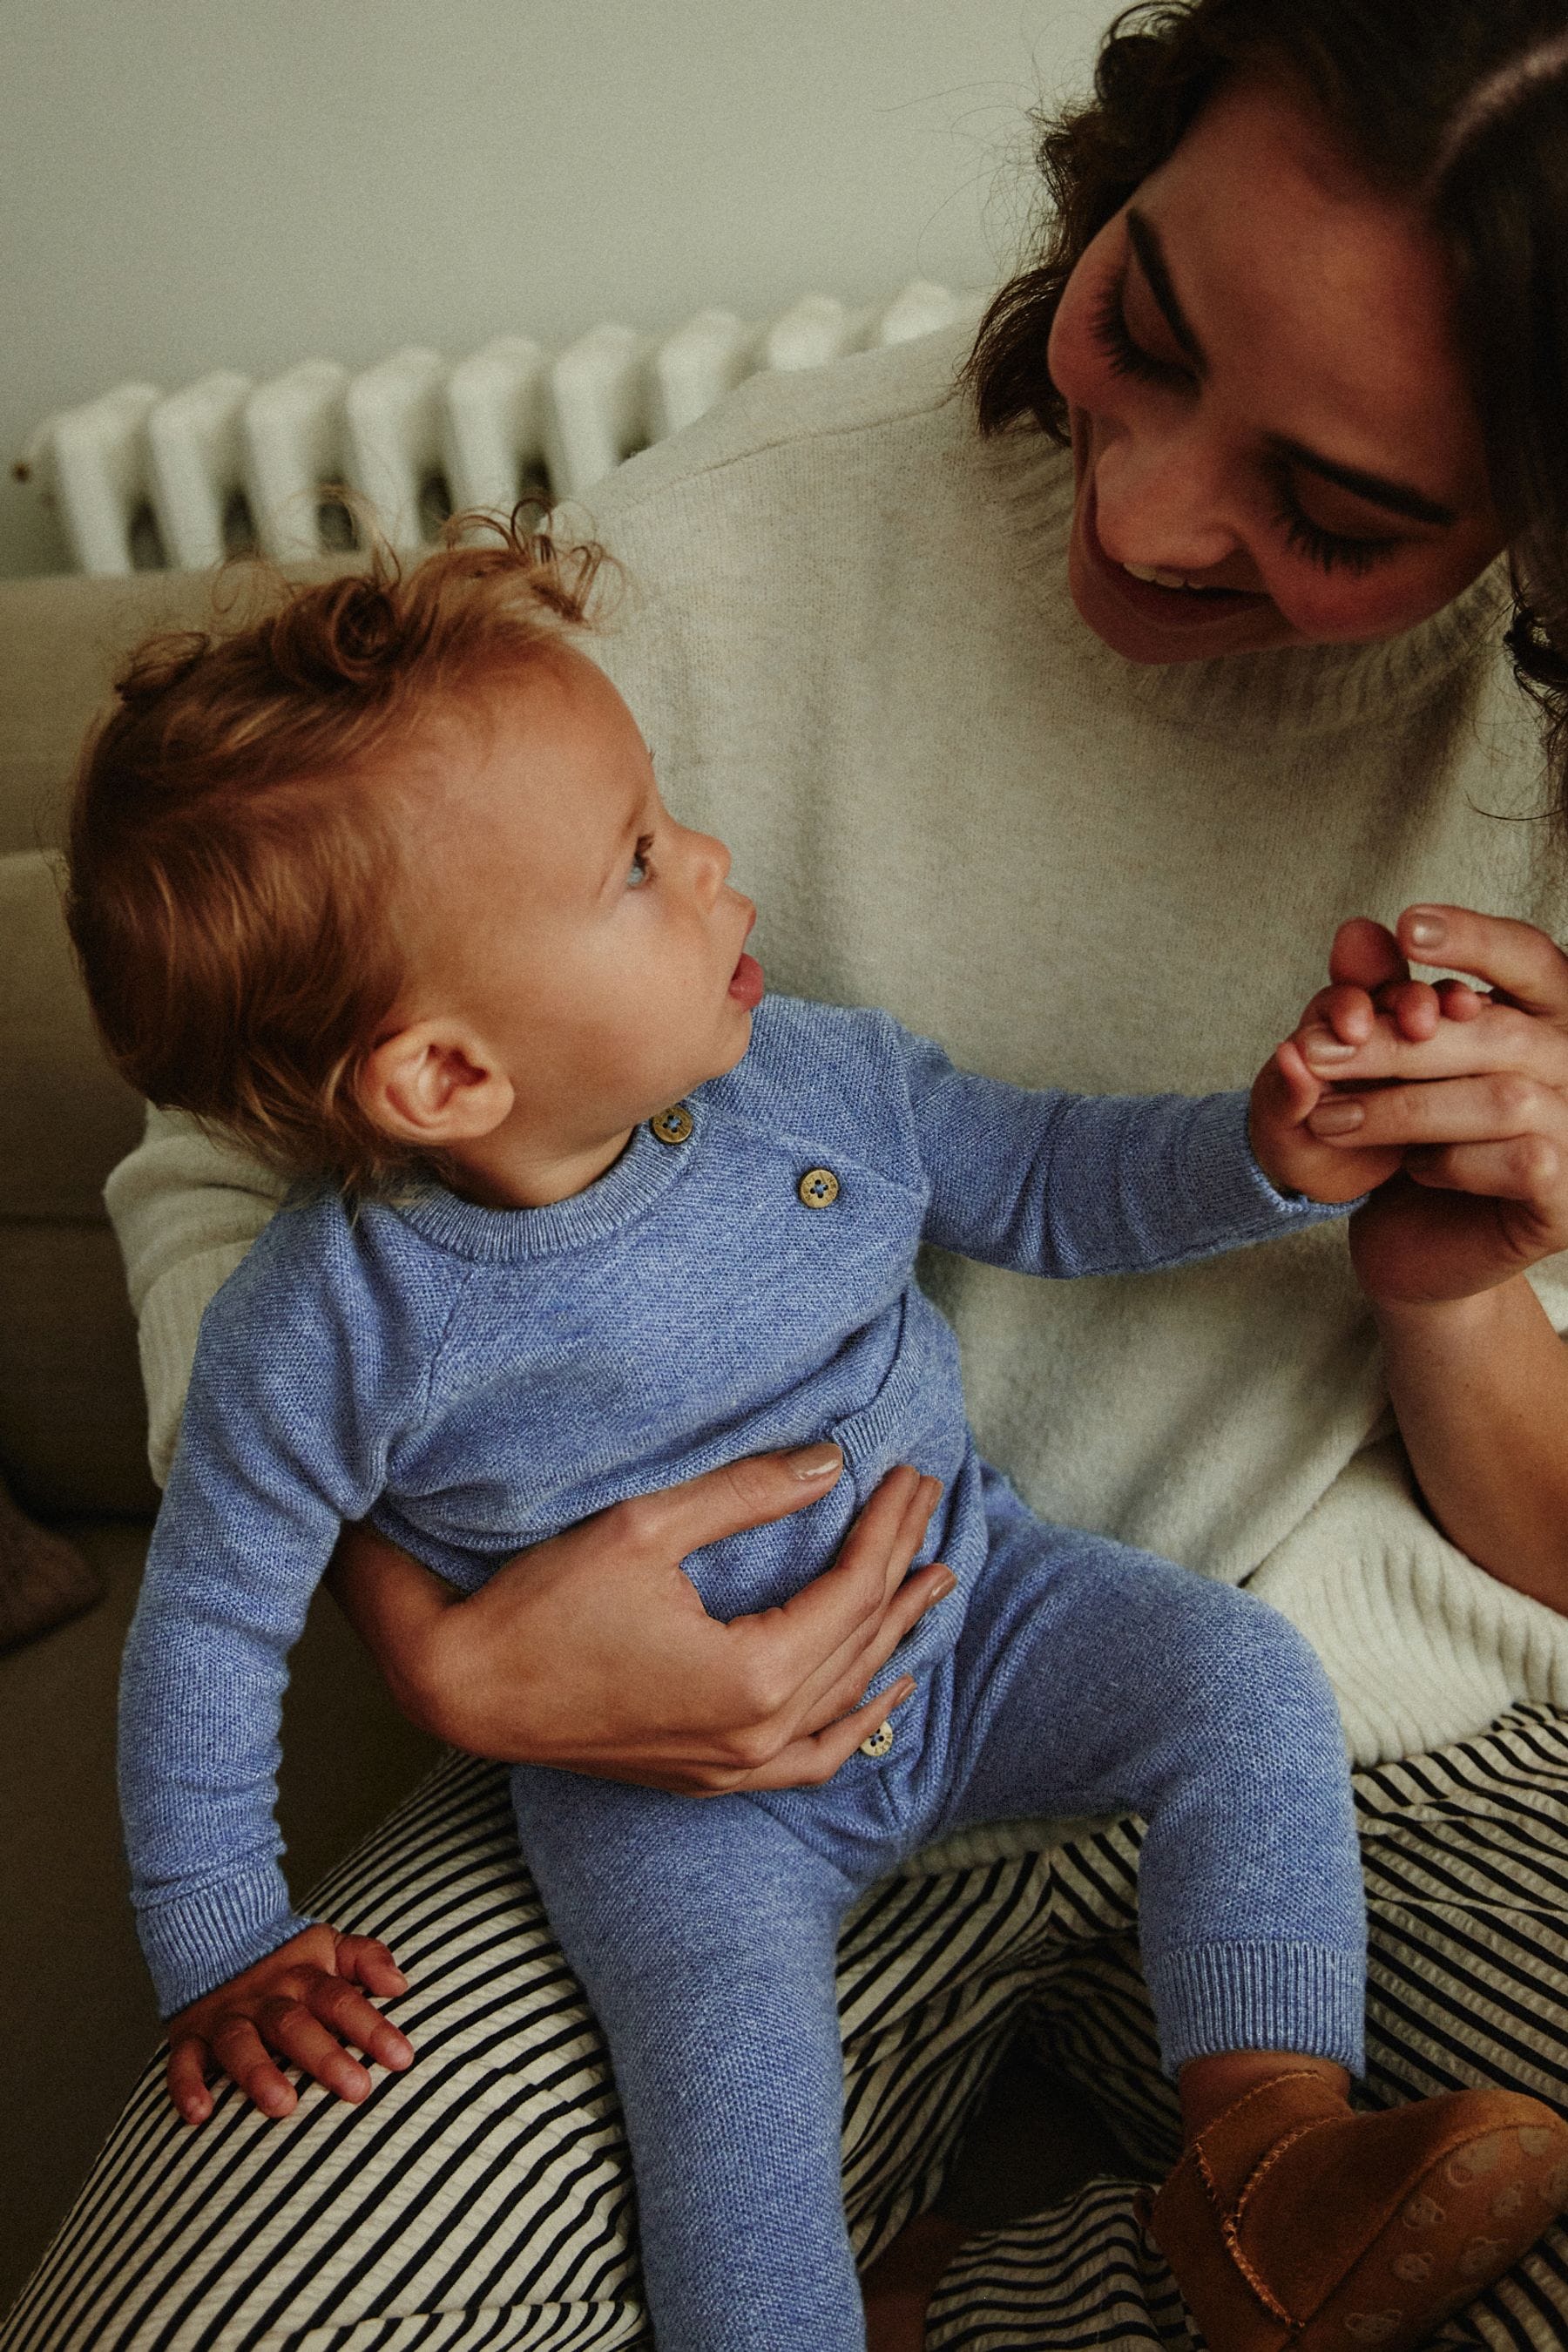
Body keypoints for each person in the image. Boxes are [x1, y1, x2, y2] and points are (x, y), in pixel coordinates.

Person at [10, 2, 1568, 2346]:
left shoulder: (825, 1075)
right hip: (653, 1745)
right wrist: (452, 1647)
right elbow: (239, 1188)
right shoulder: (674, 575)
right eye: (1134, 322)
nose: (1139, 514)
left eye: (1338, 507)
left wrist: (1428, 1258)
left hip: (1253, 1674)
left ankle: (1179, 2209)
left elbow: (1053, 1168)